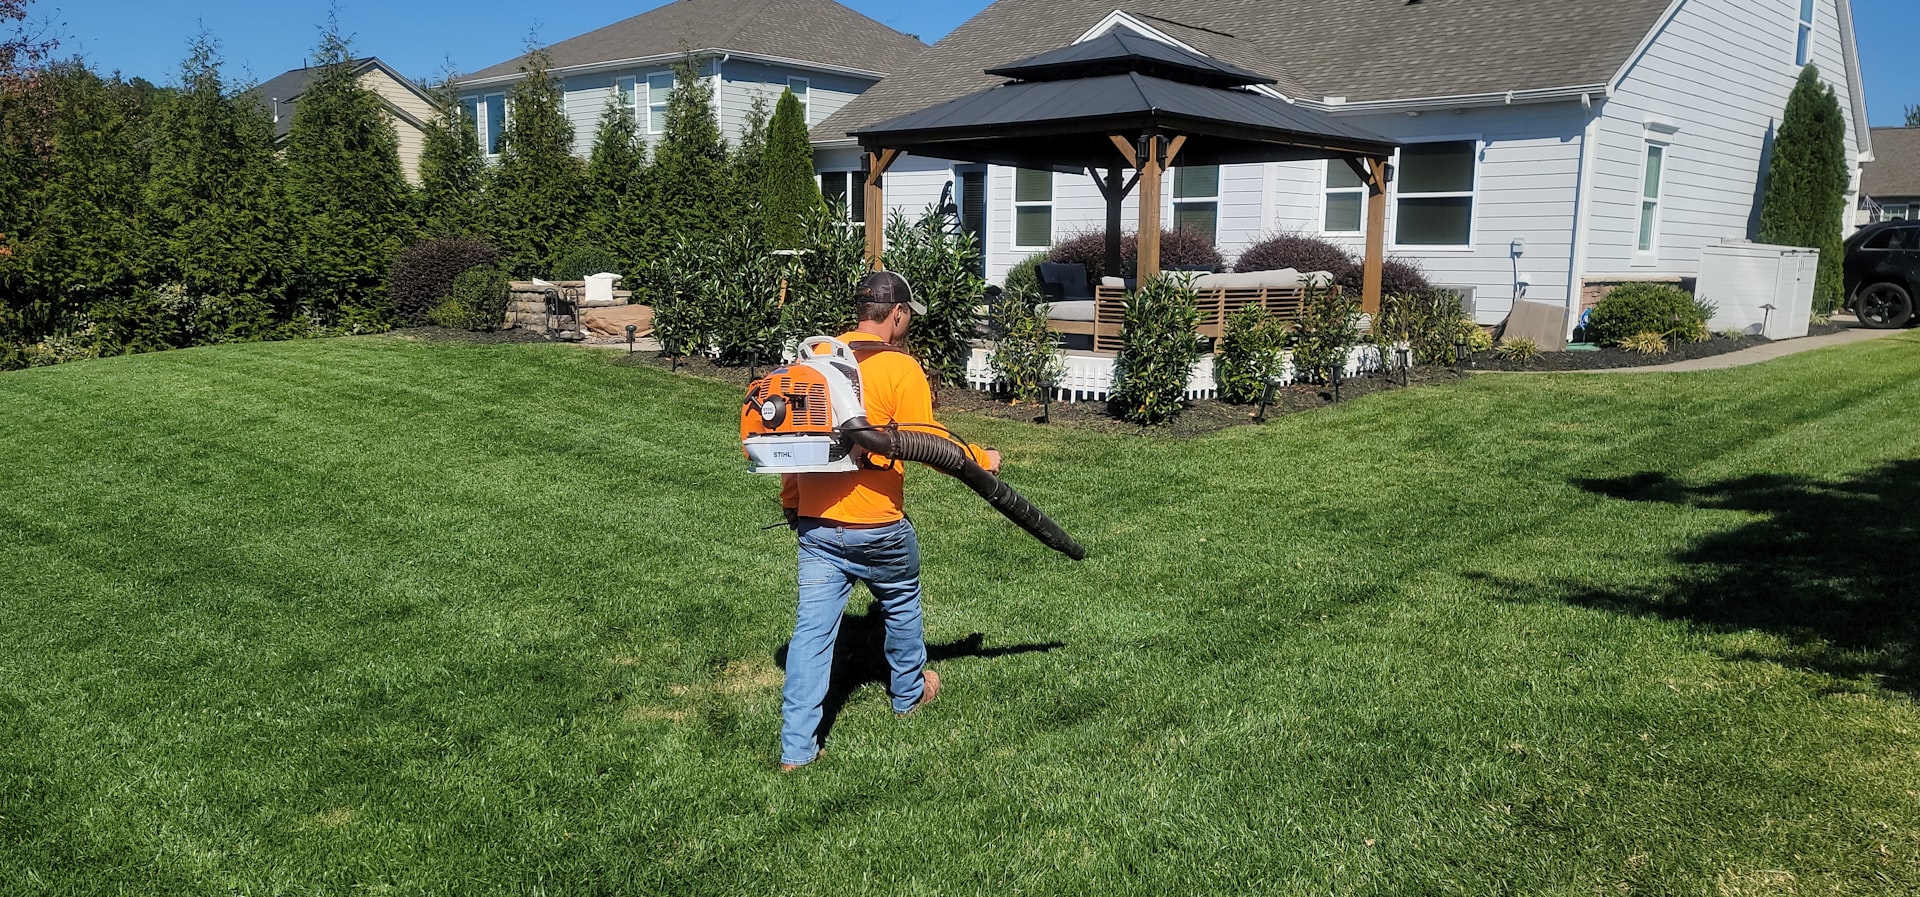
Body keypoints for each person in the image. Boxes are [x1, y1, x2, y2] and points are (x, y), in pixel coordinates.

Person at [776, 270, 999, 772]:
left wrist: (793, 502)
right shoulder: (900, 368)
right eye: (907, 318)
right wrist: (982, 459)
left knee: (811, 634)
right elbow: (930, 440)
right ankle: (908, 694)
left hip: (817, 526)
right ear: (896, 314)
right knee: (900, 599)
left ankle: (796, 750)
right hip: (878, 525)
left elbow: (794, 446)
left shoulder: (815, 363)